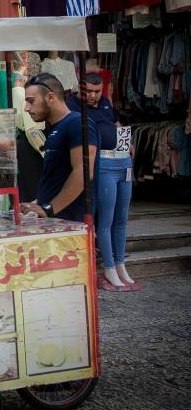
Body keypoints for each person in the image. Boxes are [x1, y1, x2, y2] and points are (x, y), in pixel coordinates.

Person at [67, 73, 139, 292]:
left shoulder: (105, 103)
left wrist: (128, 143)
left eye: (97, 91)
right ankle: (108, 267)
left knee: (122, 218)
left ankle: (120, 264)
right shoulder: (72, 106)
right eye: (88, 91)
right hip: (102, 164)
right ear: (80, 87)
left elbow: (116, 123)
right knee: (106, 219)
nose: (92, 96)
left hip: (121, 161)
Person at [20, 73, 98, 224]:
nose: (26, 108)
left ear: (50, 97)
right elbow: (56, 180)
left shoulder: (77, 124)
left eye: (31, 101)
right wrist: (37, 203)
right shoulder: (56, 128)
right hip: (56, 222)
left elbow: (83, 173)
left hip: (72, 224)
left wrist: (48, 209)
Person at [12, 60, 45, 202]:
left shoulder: (19, 91)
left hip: (27, 142)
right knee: (35, 188)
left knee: (28, 188)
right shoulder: (23, 93)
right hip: (33, 142)